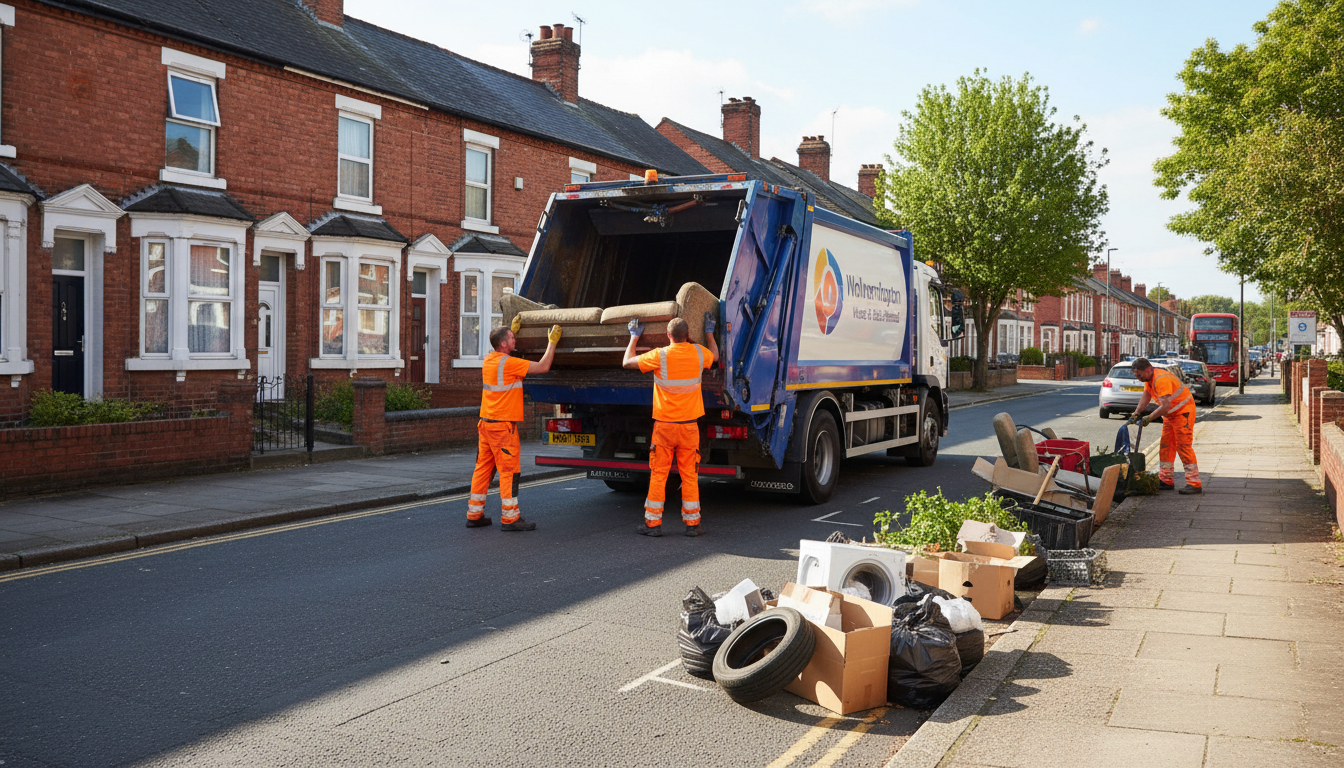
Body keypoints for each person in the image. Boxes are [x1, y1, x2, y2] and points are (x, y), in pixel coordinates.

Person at [622, 313, 719, 537]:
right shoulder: (698, 353)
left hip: (664, 427)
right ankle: (693, 524)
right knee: (690, 475)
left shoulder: (660, 355)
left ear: (667, 335)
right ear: (687, 335)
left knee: (659, 474)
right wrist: (709, 332)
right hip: (688, 427)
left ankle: (653, 525)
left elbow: (627, 362)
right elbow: (714, 355)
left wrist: (634, 337)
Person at [467, 318, 562, 531]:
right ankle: (510, 518)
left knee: (482, 468)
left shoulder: (490, 360)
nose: (515, 338)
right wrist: (552, 342)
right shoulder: (509, 364)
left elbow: (509, 358)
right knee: (509, 471)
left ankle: (474, 514)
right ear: (503, 345)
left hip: (485, 424)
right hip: (503, 427)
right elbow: (544, 367)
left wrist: (510, 332)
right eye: (511, 337)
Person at [1128, 358, 1201, 494]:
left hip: (1183, 413)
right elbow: (1146, 395)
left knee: (1183, 446)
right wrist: (1136, 412)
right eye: (1136, 375)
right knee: (1166, 446)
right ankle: (1166, 480)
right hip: (1171, 416)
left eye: (1139, 375)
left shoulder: (1161, 380)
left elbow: (1166, 406)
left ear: (1148, 369)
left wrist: (1149, 418)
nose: (1138, 378)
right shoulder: (1149, 380)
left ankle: (1194, 482)